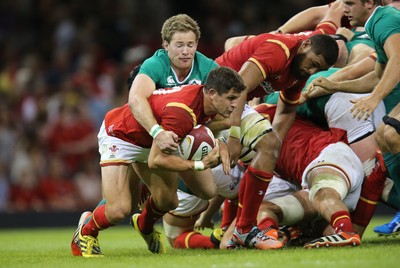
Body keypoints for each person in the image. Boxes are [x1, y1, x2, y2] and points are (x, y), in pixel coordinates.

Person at [70, 66, 245, 257]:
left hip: (152, 140)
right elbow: (156, 160)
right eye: (230, 98)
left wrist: (219, 143)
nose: (235, 104)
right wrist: (200, 164)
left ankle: (144, 226)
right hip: (121, 135)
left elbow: (215, 125)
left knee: (170, 200)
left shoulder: (205, 101)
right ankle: (86, 231)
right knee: (119, 210)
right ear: (212, 94)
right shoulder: (182, 113)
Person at [214, 28, 338, 249]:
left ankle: (243, 229)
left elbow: (287, 111)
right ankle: (237, 227)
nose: (311, 70)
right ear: (306, 45)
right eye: (313, 63)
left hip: (232, 104)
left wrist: (274, 152)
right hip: (215, 95)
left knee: (269, 145)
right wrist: (234, 136)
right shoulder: (278, 49)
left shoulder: (299, 71)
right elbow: (238, 87)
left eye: (319, 69)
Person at [308, 0, 400, 236]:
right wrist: (333, 85)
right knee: (384, 140)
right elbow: (377, 76)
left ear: (369, 3)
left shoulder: (385, 19)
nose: (344, 9)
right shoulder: (375, 24)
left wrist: (374, 99)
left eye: (350, 3)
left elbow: (398, 61)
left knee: (390, 134)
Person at [220, 104, 364, 249]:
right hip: (313, 190)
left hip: (332, 155)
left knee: (321, 192)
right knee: (264, 209)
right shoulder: (261, 166)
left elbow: (286, 104)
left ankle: (346, 232)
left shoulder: (261, 116)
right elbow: (229, 239)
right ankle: (272, 236)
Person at [128, 14, 218, 155]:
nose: (185, 51)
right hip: (156, 133)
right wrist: (158, 133)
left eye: (190, 45)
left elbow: (226, 105)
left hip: (194, 132)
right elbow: (135, 99)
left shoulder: (209, 68)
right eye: (179, 45)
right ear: (166, 45)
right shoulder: (155, 64)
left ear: (196, 44)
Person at [163, 163, 243, 249]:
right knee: (250, 194)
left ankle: (225, 239)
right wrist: (205, 218)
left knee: (176, 238)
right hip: (223, 163)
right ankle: (233, 232)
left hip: (191, 172)